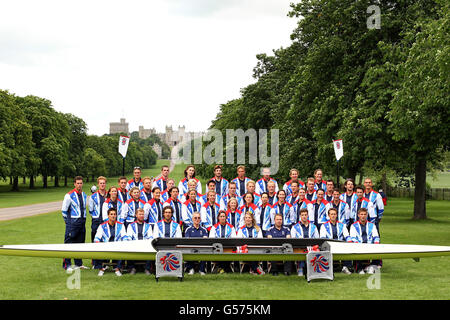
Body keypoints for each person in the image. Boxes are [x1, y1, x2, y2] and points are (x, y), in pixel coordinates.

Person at [62, 176, 88, 271]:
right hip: (72, 223)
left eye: (81, 183)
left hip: (82, 223)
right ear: (74, 184)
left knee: (80, 244)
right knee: (69, 244)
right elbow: (64, 211)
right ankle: (67, 265)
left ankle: (78, 264)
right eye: (78, 183)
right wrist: (68, 222)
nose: (79, 185)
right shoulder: (69, 195)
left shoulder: (84, 195)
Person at [94, 207, 128, 276]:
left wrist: (124, 243)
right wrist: (99, 244)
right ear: (108, 216)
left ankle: (117, 269)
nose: (113, 216)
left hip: (117, 246)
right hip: (105, 246)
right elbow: (97, 238)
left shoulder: (121, 225)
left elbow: (124, 236)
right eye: (111, 214)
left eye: (114, 214)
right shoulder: (102, 226)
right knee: (97, 247)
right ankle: (101, 269)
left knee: (123, 248)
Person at [320, 208, 352, 274]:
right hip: (329, 246)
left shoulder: (342, 225)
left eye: (334, 214)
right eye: (331, 214)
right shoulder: (324, 226)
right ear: (329, 215)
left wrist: (349, 243)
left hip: (340, 245)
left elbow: (347, 236)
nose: (333, 216)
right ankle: (327, 268)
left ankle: (345, 267)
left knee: (348, 246)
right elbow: (322, 238)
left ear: (337, 215)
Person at [350, 207, 380, 274]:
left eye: (364, 214)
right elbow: (353, 238)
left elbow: (376, 236)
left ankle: (371, 266)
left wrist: (376, 244)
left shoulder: (372, 225)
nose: (363, 216)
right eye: (361, 214)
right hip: (359, 246)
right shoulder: (353, 226)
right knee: (355, 247)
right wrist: (359, 245)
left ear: (367, 215)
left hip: (370, 245)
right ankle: (359, 269)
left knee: (378, 245)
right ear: (358, 215)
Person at [290, 208, 319, 276]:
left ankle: (313, 269)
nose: (304, 216)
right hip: (300, 247)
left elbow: (317, 238)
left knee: (317, 249)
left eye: (305, 215)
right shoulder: (295, 227)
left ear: (308, 215)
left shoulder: (313, 226)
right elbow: (293, 239)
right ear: (300, 216)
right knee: (300, 250)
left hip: (311, 247)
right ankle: (300, 268)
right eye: (302, 215)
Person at [126, 208, 153, 275]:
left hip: (145, 245)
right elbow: (129, 237)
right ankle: (132, 268)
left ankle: (147, 268)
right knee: (128, 247)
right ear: (136, 215)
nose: (141, 216)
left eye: (142, 214)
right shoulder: (131, 225)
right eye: (140, 214)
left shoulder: (148, 226)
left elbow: (150, 237)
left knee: (150, 248)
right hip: (134, 244)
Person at [88, 176, 108, 270]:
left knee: (106, 240)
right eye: (101, 183)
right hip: (96, 221)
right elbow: (90, 209)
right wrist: (96, 217)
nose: (102, 184)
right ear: (98, 184)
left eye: (104, 183)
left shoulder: (108, 194)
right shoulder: (93, 196)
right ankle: (95, 262)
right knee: (95, 241)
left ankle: (106, 262)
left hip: (106, 221)